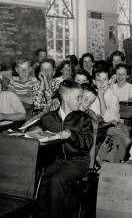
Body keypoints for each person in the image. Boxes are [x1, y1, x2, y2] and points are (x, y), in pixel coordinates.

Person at [37, 80, 93, 218]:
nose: (81, 101)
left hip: (79, 161)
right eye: (78, 97)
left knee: (58, 180)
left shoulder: (83, 118)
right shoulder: (49, 118)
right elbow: (42, 134)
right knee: (42, 180)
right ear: (66, 98)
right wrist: (35, 131)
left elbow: (88, 142)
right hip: (58, 160)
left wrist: (72, 135)